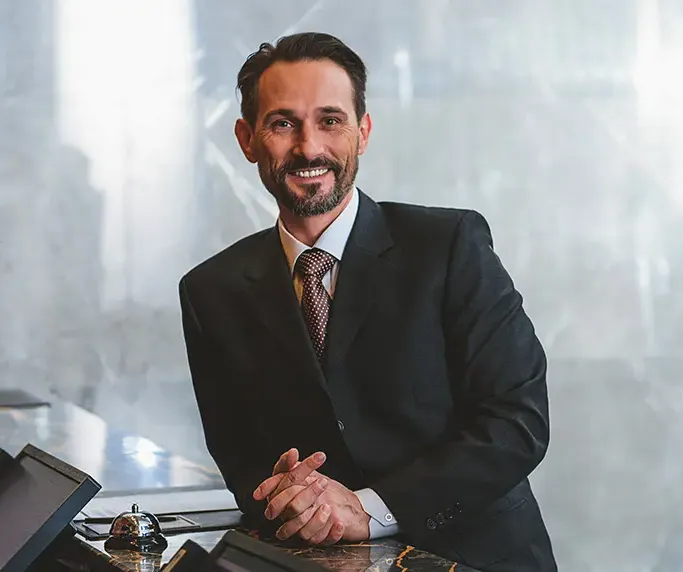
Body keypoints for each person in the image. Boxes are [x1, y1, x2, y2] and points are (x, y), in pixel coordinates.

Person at [178, 32, 556, 571]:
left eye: (330, 120)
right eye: (283, 123)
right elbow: (241, 459)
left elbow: (517, 421)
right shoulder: (209, 291)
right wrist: (292, 501)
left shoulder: (449, 247)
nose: (309, 147)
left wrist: (369, 508)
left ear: (363, 131)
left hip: (474, 558)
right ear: (247, 139)